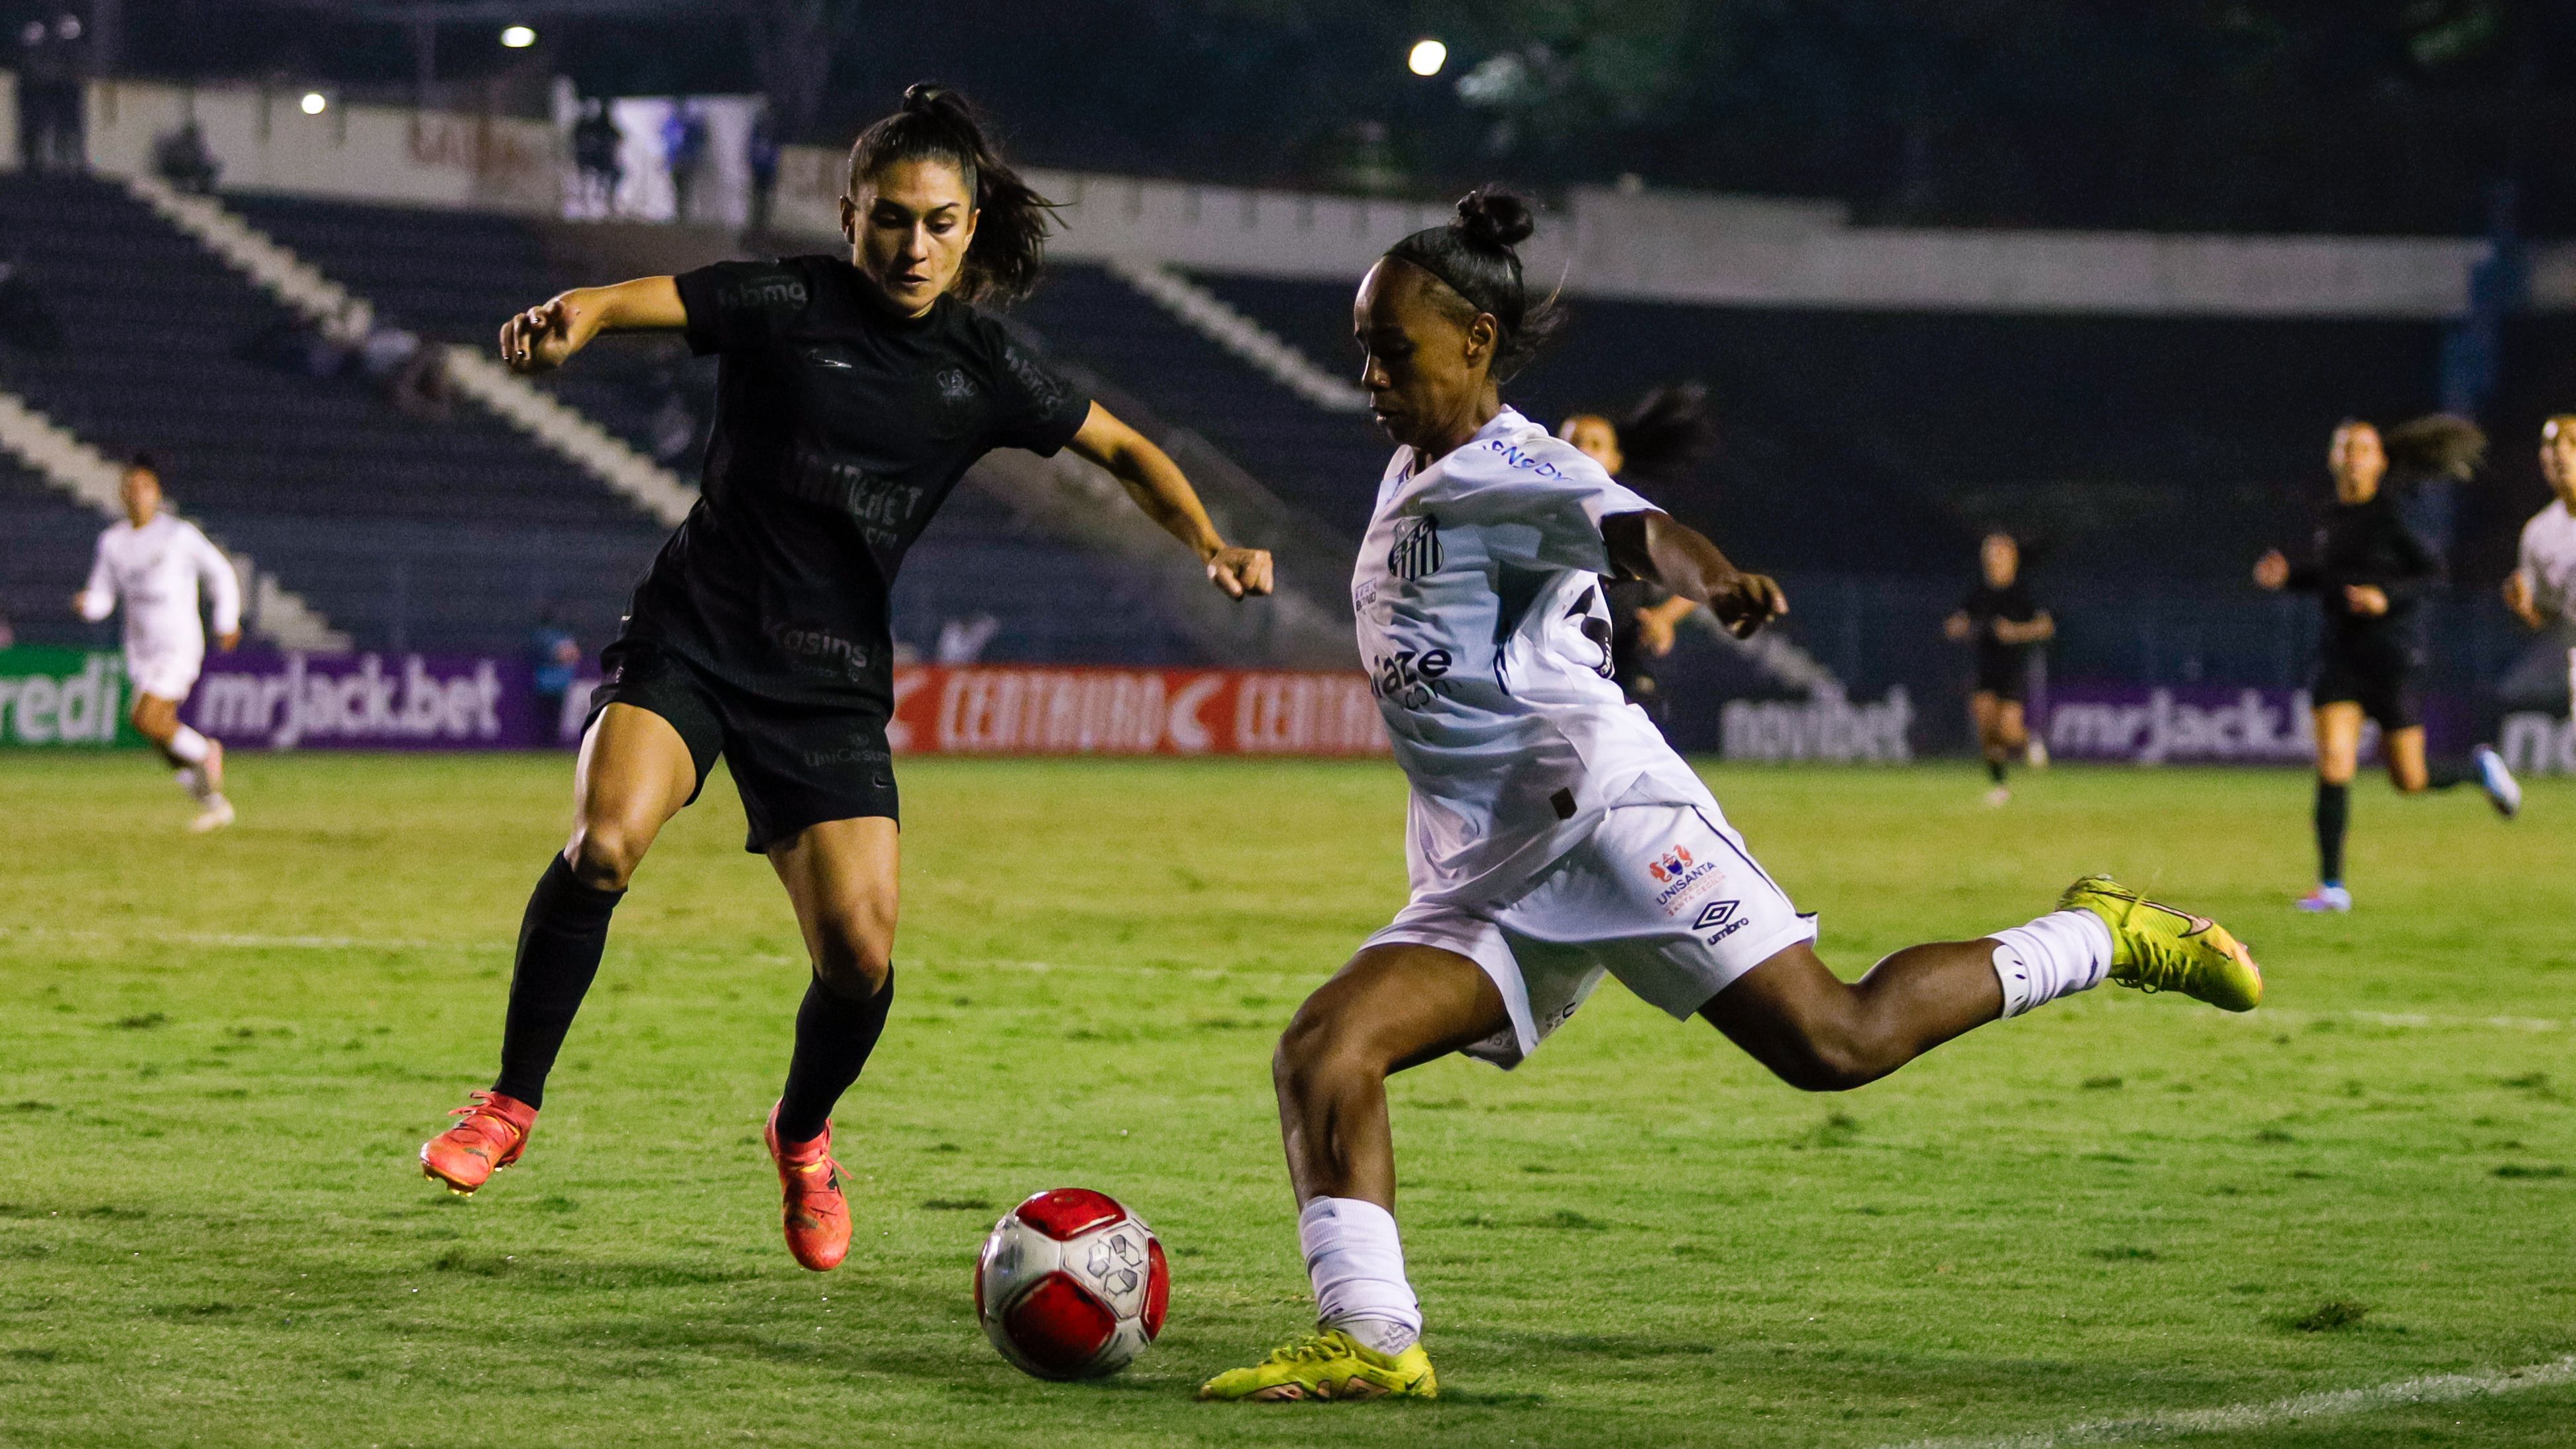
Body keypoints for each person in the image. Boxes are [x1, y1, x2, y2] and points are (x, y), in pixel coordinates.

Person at [1197, 188, 2262, 1405]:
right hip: (1487, 866)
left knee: (1837, 1042)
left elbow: (1642, 532)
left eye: (1393, 351)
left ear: (1476, 343)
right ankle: (1373, 1338)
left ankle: (2098, 933)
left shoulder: (1516, 467)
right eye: (1363, 350)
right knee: (1325, 1049)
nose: (1371, 377)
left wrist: (1711, 581)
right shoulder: (1413, 465)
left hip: (1611, 822)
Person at [419, 86, 1274, 1275]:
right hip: (695, 634)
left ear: (970, 229)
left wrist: (1210, 544)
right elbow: (636, 299)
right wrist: (577, 320)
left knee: (860, 956)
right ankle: (509, 1103)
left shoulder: (984, 366)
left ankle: (802, 1133)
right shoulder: (786, 301)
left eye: (938, 223)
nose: (913, 245)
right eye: (890, 219)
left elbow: (1123, 447)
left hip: (828, 679)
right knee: (605, 842)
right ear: (850, 216)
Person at [2254, 415, 2519, 913]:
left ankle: (2478, 768)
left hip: (2391, 658)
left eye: (2362, 448)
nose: (2352, 457)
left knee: (2409, 779)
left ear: (2379, 462)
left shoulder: (2394, 516)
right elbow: (2332, 578)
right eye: (2345, 447)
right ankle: (2332, 887)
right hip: (2340, 657)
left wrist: (2385, 597)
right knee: (2334, 764)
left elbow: (2433, 575)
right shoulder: (2332, 517)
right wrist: (2290, 577)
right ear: (2333, 459)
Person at [72, 456, 242, 832]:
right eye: (130, 488)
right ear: (122, 494)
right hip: (142, 652)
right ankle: (214, 805)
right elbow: (103, 596)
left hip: (179, 645)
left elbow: (220, 571)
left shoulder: (178, 535)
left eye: (144, 487)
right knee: (158, 733)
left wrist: (226, 620)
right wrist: (89, 605)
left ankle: (205, 751)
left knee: (145, 718)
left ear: (157, 493)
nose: (137, 494)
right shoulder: (113, 543)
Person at [1556, 384, 1714, 723]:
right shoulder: (1537, 512)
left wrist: (1663, 618)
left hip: (1620, 665)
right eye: (1573, 443)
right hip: (1554, 669)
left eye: (1595, 445)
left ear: (1615, 460)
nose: (1583, 451)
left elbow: (1696, 575)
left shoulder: (1628, 518)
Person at [1945, 531, 2053, 806]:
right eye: (1989, 554)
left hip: (2013, 669)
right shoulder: (1979, 592)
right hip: (1986, 669)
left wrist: (2016, 632)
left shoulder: (2023, 592)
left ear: (2011, 558)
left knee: (2008, 731)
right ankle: (2000, 785)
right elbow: (1960, 619)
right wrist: (1957, 627)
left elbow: (2046, 626)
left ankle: (2031, 740)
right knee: (1986, 728)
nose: (1993, 559)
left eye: (1998, 553)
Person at [2502, 413, 2576, 724]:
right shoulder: (2539, 532)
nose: (2561, 453)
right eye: (2552, 446)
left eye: (2572, 444)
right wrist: (2524, 607)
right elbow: (2546, 617)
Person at [527, 607, 581, 745]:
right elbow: (568, 655)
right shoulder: (556, 637)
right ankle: (548, 744)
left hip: (548, 685)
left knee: (548, 719)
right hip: (554, 685)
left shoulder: (544, 637)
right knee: (550, 719)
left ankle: (547, 744)